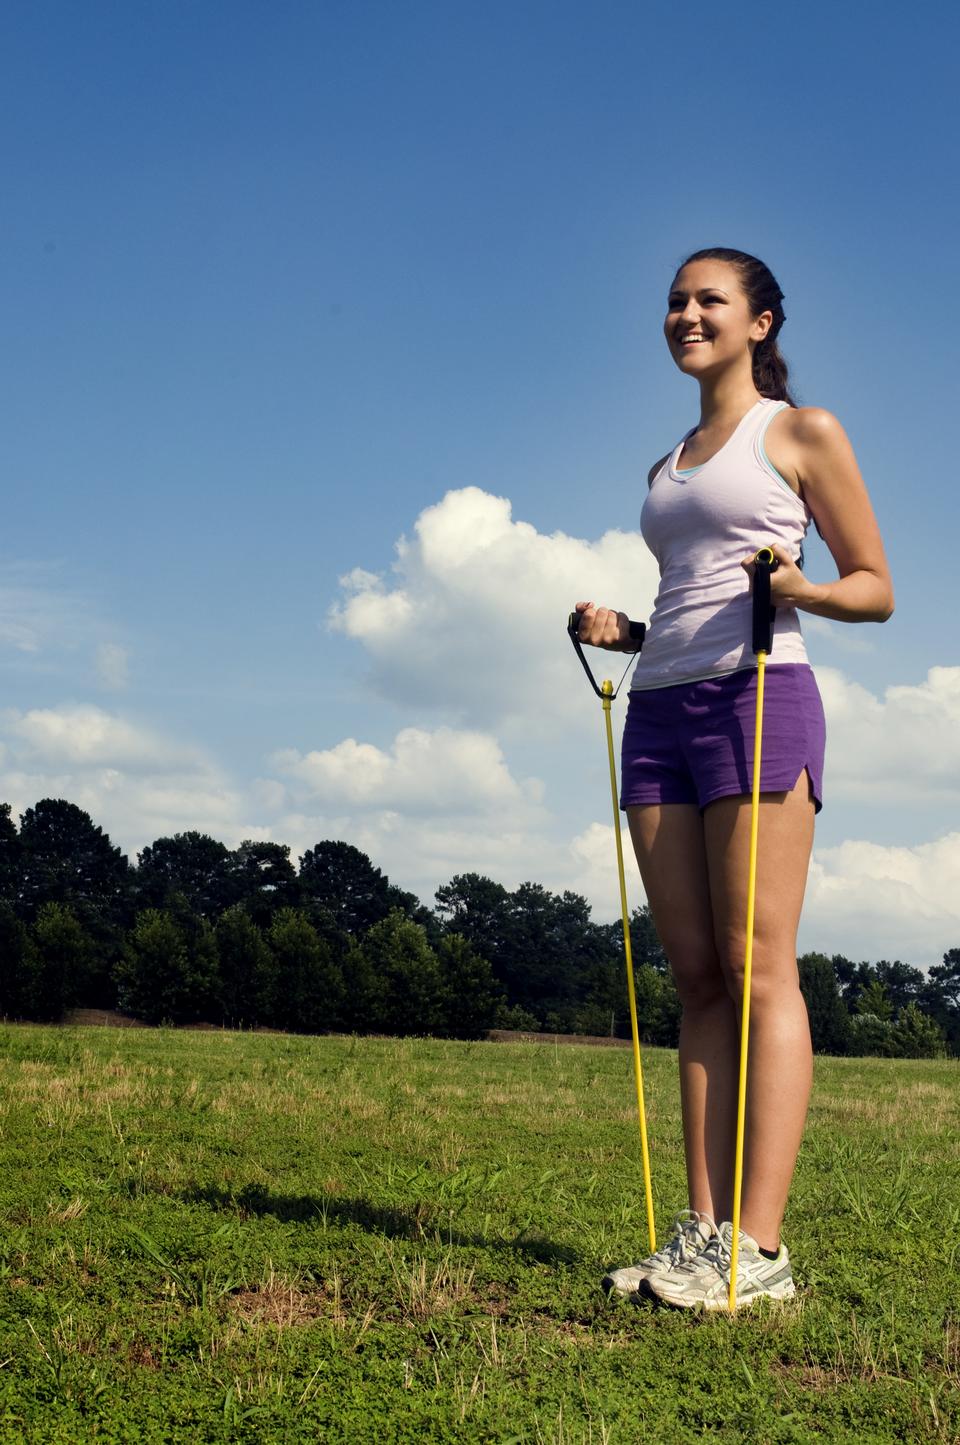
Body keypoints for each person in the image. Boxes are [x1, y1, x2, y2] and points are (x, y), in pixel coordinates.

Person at [575, 247, 893, 1311]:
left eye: (709, 299)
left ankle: (760, 1250)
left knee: (762, 971)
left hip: (762, 699)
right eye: (674, 300)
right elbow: (692, 596)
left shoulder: (800, 431)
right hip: (661, 709)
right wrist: (628, 629)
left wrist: (799, 581)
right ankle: (701, 1238)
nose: (686, 314)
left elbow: (876, 586)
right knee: (699, 979)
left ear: (761, 321)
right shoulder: (665, 464)